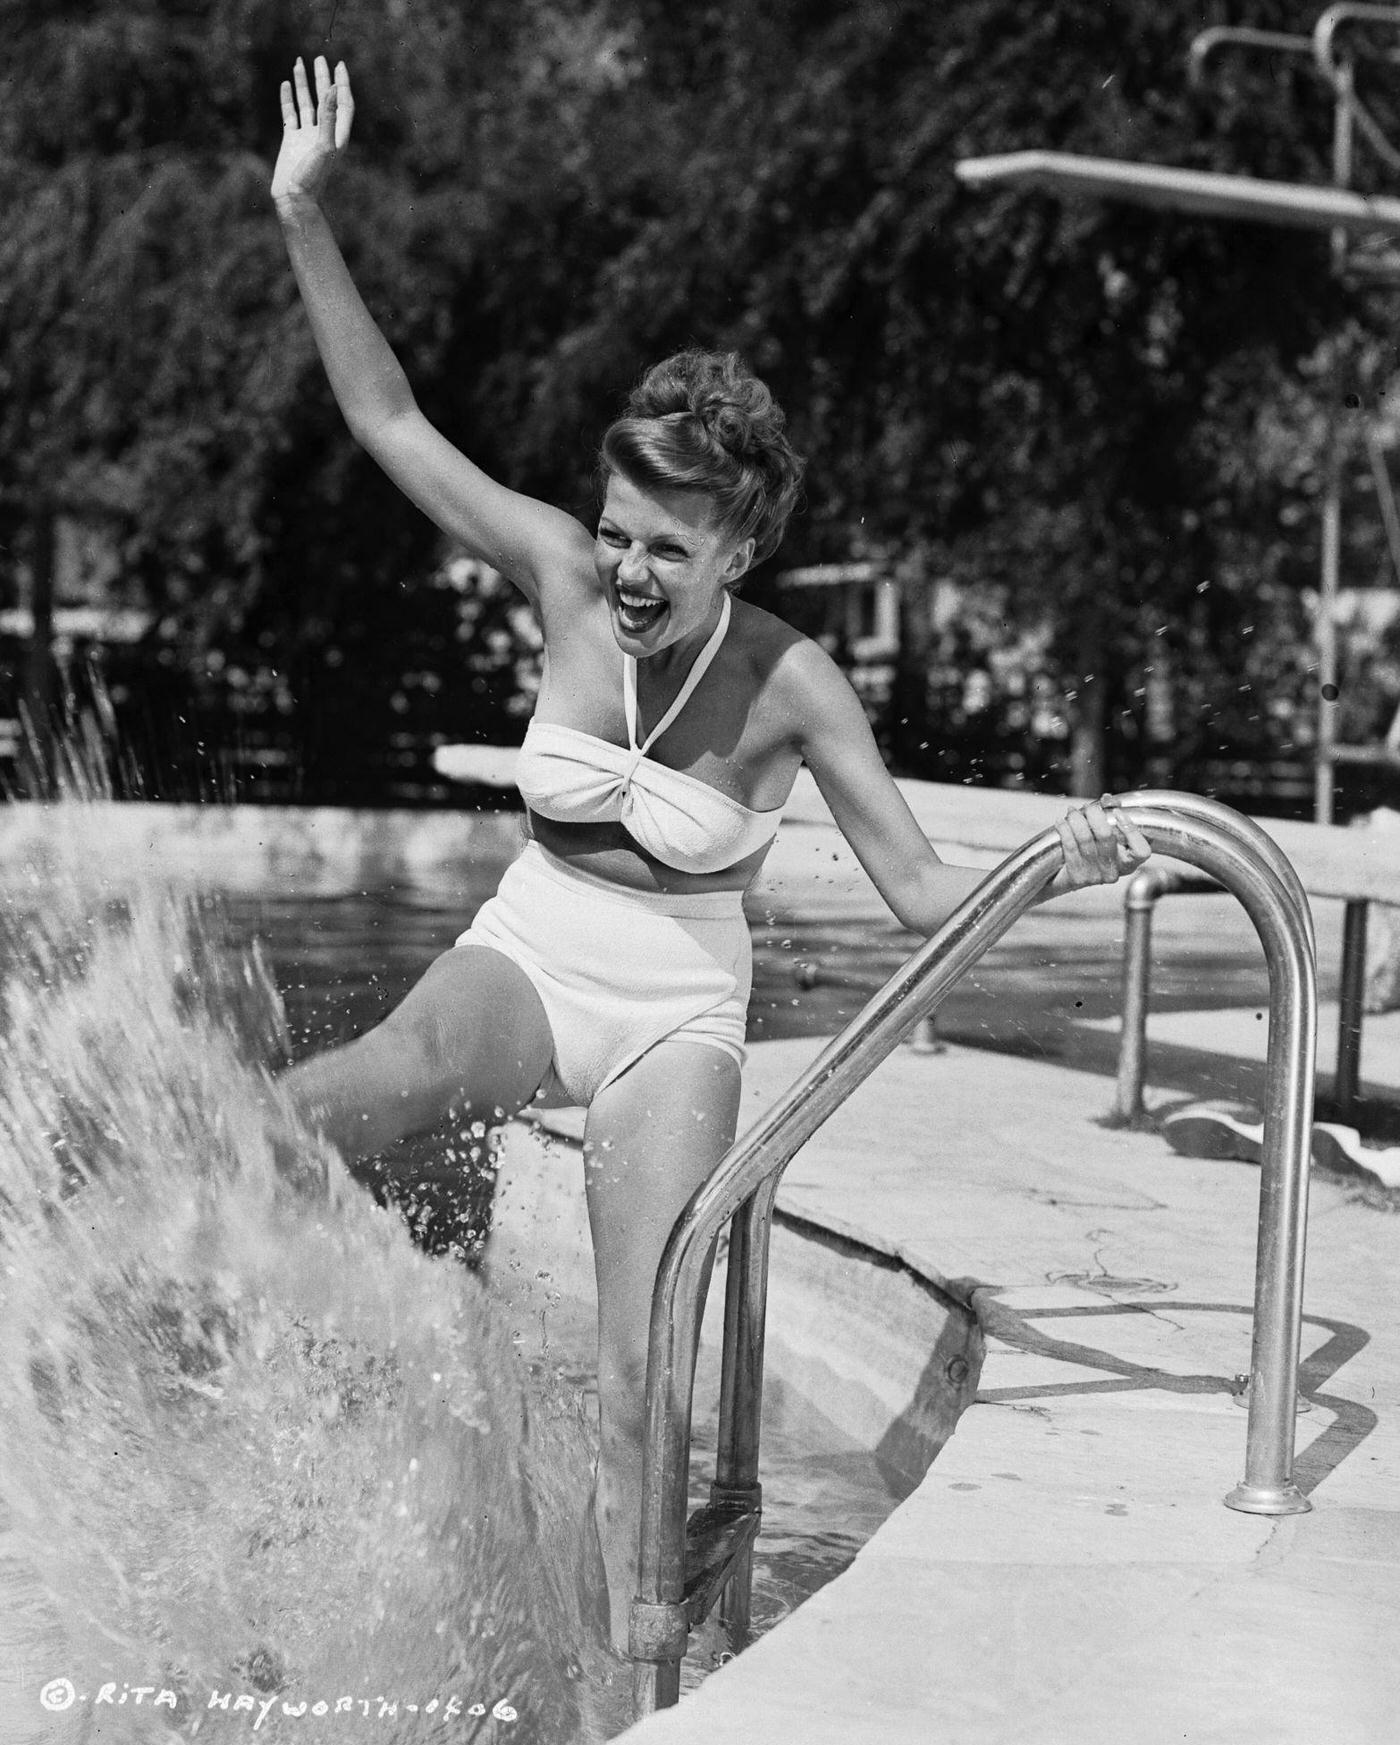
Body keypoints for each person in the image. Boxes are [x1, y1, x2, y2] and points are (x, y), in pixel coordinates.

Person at [270, 55, 1154, 1654]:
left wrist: (1069, 861)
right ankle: (306, 1401)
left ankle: (638, 1684)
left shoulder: (795, 683)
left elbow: (924, 898)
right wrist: (301, 212)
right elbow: (385, 413)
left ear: (741, 548)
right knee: (309, 1115)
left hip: (676, 1012)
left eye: (666, 549)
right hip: (533, 954)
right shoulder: (551, 570)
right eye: (615, 528)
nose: (623, 568)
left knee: (636, 1373)